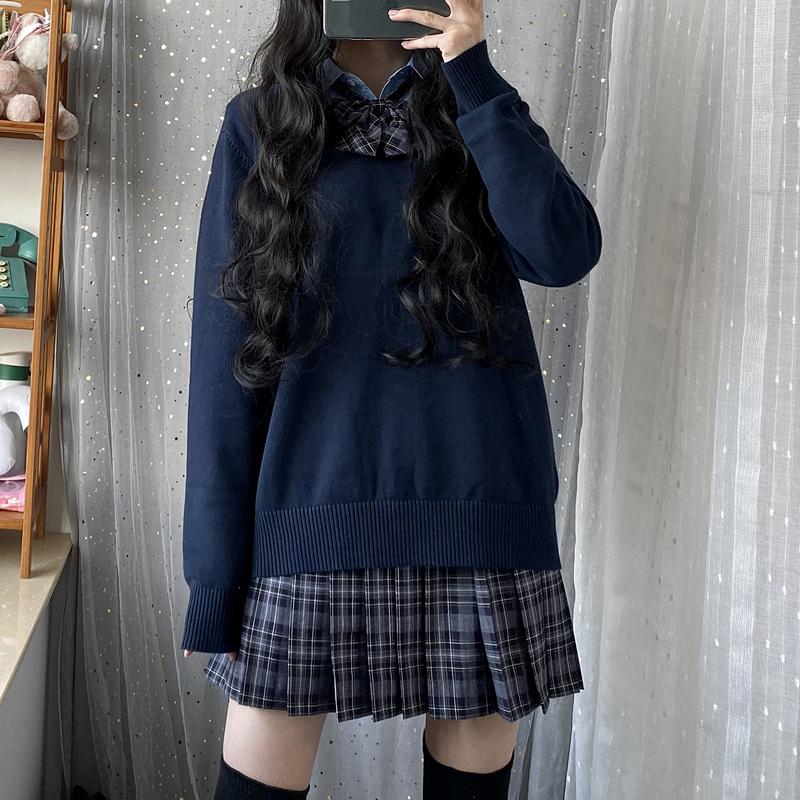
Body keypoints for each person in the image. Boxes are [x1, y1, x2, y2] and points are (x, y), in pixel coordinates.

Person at [180, 1, 602, 797]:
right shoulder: (261, 126)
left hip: (483, 515)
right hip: (308, 513)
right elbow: (225, 359)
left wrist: (472, 69)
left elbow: (564, 251)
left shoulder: (479, 108)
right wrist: (215, 575)